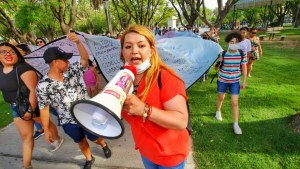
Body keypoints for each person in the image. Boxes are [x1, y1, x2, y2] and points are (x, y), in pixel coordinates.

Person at [36, 32, 111, 169]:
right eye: (64, 59)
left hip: (87, 114)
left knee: (95, 138)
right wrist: (46, 130)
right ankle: (89, 158)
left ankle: (104, 145)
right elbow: (44, 108)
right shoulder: (43, 86)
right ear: (55, 62)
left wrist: (78, 43)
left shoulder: (72, 70)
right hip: (68, 121)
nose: (68, 62)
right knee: (81, 141)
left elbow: (84, 59)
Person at [120, 25, 190, 168]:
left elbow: (181, 121)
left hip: (171, 154)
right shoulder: (123, 79)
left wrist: (144, 110)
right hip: (146, 150)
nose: (134, 51)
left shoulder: (166, 78)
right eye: (128, 47)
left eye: (141, 45)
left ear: (152, 50)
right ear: (122, 52)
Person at [0, 42, 63, 169]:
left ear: (17, 54)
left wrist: (30, 110)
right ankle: (27, 166)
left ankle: (57, 138)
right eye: (3, 52)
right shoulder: (1, 70)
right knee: (26, 137)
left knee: (47, 125)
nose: (8, 54)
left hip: (31, 107)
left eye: (11, 51)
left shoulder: (24, 69)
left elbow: (33, 92)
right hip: (16, 108)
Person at [214, 32, 247, 135]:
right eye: (232, 42)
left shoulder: (242, 53)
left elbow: (244, 67)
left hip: (235, 81)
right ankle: (218, 111)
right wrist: (219, 61)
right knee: (221, 98)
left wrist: (244, 80)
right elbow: (216, 68)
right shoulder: (223, 53)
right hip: (222, 80)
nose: (234, 44)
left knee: (235, 102)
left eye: (236, 42)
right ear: (228, 43)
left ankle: (236, 124)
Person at [16, 44, 46, 140]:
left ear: (24, 52)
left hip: (35, 93)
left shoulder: (29, 63)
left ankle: (50, 131)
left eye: (17, 50)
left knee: (41, 111)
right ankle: (40, 130)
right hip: (21, 99)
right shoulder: (16, 65)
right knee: (35, 116)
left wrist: (30, 109)